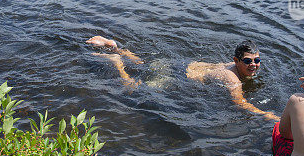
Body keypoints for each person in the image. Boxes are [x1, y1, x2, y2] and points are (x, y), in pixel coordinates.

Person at [86, 36, 278, 120]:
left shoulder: (230, 66)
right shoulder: (232, 79)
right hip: (176, 74)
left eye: (257, 60)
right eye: (248, 61)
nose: (253, 64)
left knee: (143, 64)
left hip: (180, 64)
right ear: (236, 60)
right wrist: (267, 115)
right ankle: (116, 61)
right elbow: (240, 103)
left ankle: (114, 47)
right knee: (133, 88)